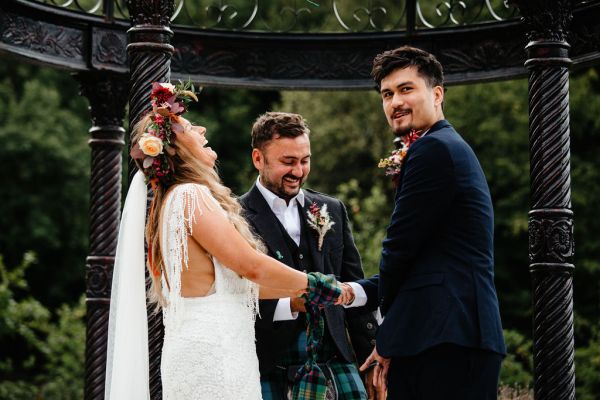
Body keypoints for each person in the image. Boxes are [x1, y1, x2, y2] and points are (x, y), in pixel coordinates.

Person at [104, 83, 343, 400]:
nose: (201, 129)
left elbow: (239, 284)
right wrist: (317, 284)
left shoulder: (169, 204)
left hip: (209, 351)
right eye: (190, 127)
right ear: (176, 148)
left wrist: (305, 292)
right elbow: (250, 267)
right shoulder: (191, 196)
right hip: (215, 355)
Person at [351, 46, 507, 399]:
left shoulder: (433, 149)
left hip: (444, 337)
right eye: (387, 94)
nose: (395, 102)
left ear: (437, 94)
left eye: (406, 89)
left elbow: (399, 248)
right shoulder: (444, 146)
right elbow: (426, 256)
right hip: (451, 333)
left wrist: (388, 336)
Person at [239, 112, 380, 400]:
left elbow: (353, 284)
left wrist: (370, 361)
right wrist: (290, 305)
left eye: (305, 160)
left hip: (335, 360)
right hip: (268, 362)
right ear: (258, 158)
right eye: (288, 162)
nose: (299, 171)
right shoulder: (234, 216)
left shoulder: (332, 209)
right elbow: (235, 297)